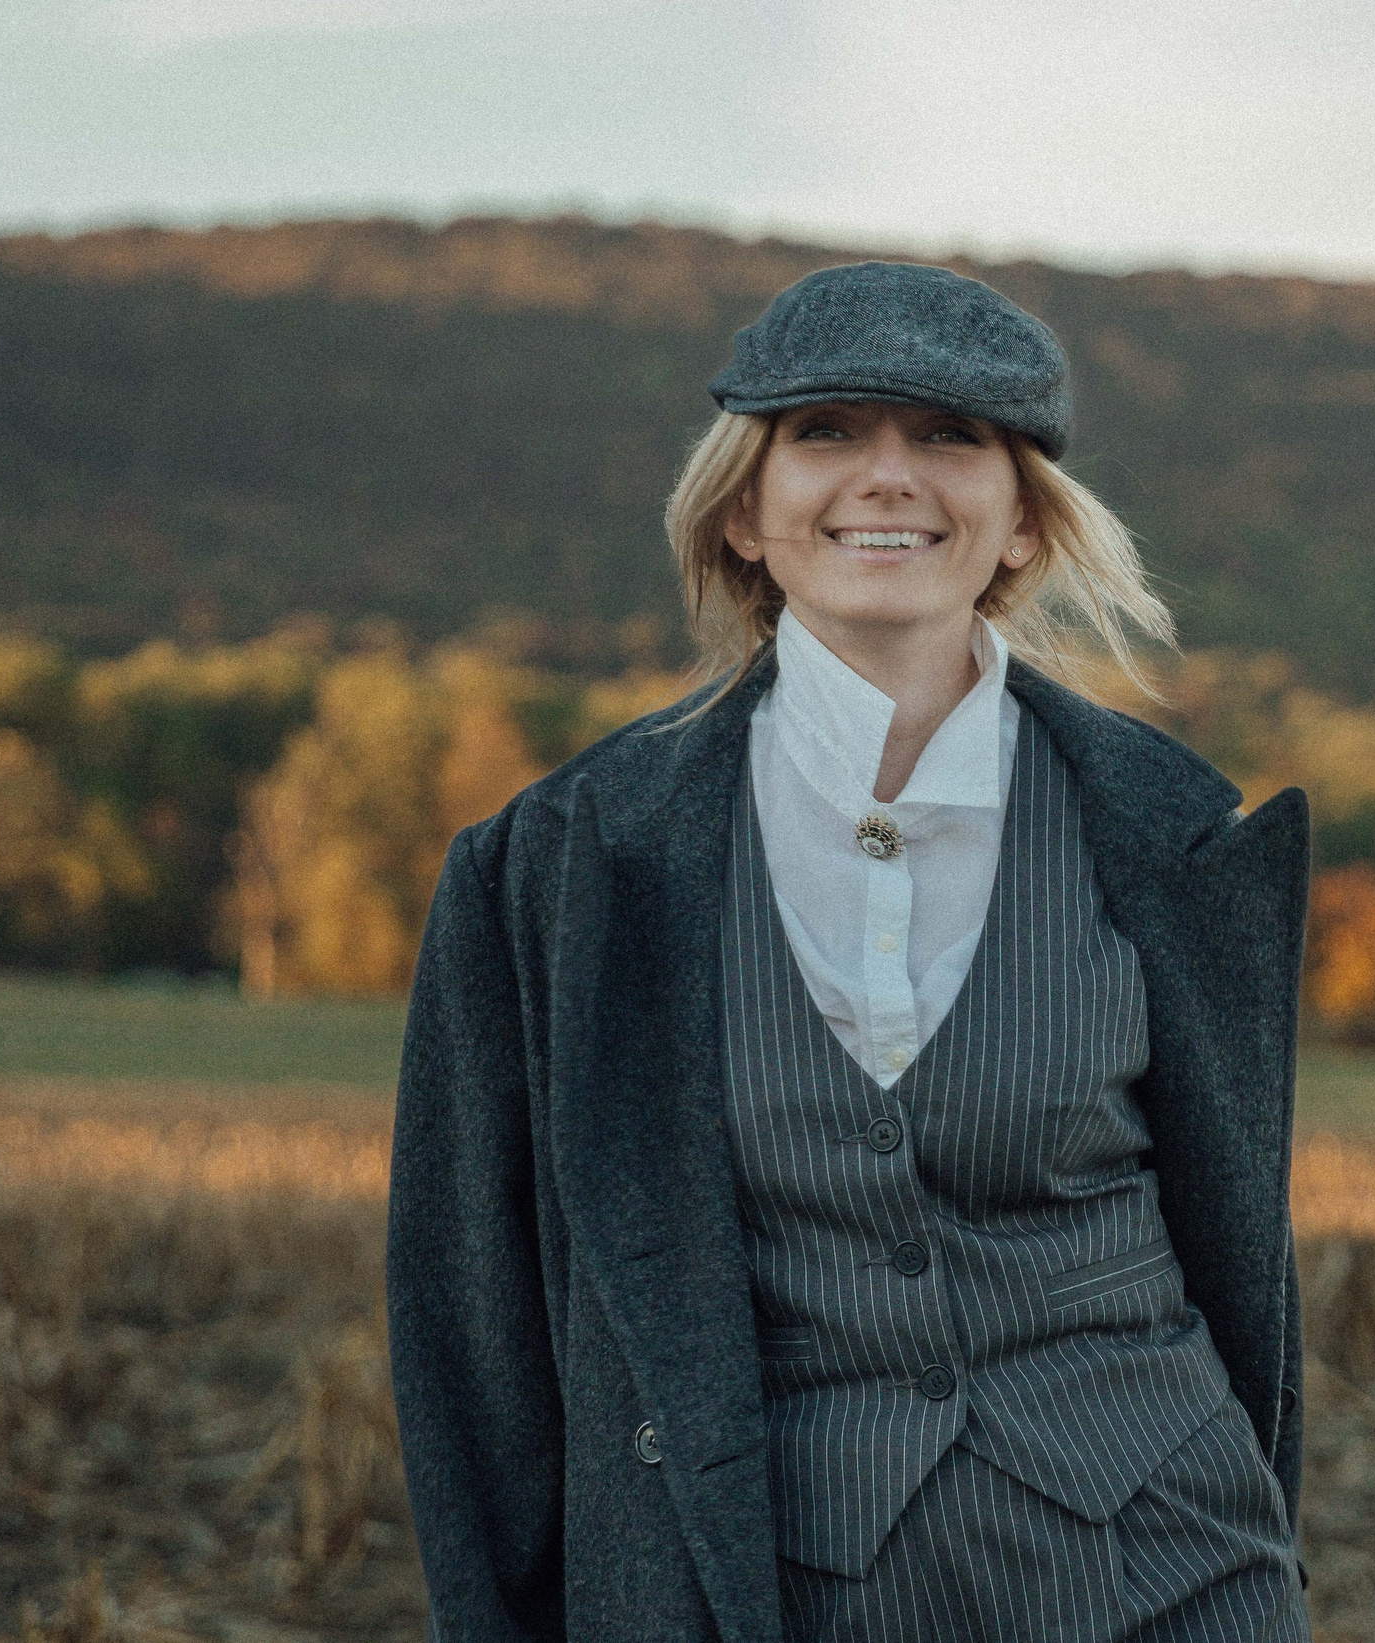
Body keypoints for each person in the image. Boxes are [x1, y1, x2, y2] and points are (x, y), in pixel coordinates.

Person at [388, 261, 1314, 1643]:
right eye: (826, 432)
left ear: (1020, 524)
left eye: (951, 438)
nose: (890, 477)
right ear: (744, 513)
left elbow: (1249, 1284)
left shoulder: (1182, 844)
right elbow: (477, 1355)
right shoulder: (555, 872)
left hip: (1170, 1581)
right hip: (754, 1593)